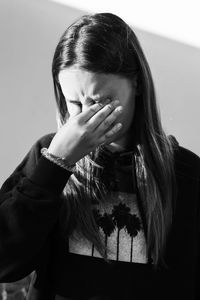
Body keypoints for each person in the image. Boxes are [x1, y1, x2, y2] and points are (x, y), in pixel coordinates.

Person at [0, 12, 199, 300]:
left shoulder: (185, 171)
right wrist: (56, 164)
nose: (87, 116)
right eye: (75, 103)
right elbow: (6, 262)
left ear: (137, 85)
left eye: (103, 101)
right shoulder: (48, 157)